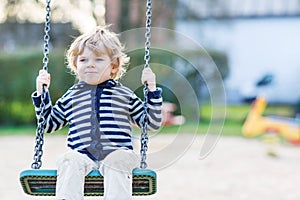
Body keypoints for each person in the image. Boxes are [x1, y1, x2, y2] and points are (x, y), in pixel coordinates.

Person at [32, 25, 162, 200]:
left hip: (117, 153)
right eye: (83, 60)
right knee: (69, 159)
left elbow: (151, 123)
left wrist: (152, 90)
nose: (90, 65)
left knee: (116, 160)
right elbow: (47, 124)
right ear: (75, 65)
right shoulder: (72, 95)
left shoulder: (124, 95)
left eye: (98, 60)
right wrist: (41, 94)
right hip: (83, 157)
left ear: (113, 66)